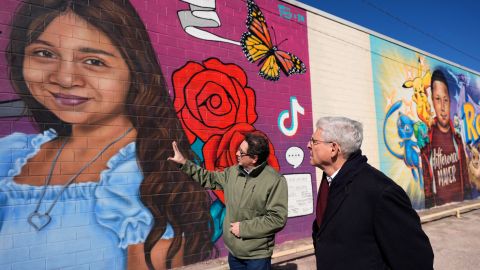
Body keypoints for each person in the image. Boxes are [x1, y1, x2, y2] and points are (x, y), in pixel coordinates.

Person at [1, 0, 213, 269]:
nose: (65, 78)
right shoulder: (11, 155)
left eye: (93, 61)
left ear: (134, 70)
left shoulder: (143, 170)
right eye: (44, 54)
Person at [309, 116, 433, 270]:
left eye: (314, 142)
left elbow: (416, 259)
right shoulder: (330, 181)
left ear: (334, 148)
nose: (309, 145)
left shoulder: (381, 192)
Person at [168, 132, 288, 270]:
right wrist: (184, 163)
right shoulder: (232, 172)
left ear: (254, 158)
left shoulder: (275, 181)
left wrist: (244, 228)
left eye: (241, 152)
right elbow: (208, 177)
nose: (237, 153)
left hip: (257, 256)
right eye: (238, 149)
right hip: (234, 253)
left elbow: (277, 218)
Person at [420, 69, 472, 207]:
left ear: (450, 102)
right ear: (432, 101)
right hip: (439, 209)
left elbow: (465, 177)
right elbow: (427, 184)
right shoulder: (427, 139)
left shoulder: (457, 136)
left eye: (445, 100)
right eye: (438, 99)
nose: (442, 107)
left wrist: (467, 200)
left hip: (461, 206)